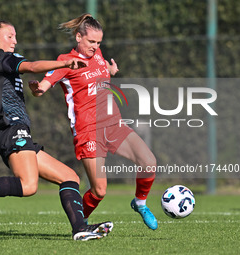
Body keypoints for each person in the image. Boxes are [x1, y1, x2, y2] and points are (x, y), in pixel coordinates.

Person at [0, 13, 113, 241]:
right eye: (10, 36)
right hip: (11, 129)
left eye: (15, 36)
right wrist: (65, 62)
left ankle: (80, 229)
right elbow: (33, 66)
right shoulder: (4, 59)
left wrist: (2, 105)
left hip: (11, 128)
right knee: (28, 186)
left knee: (70, 177)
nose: (14, 40)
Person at [29, 13, 158, 230]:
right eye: (91, 41)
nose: (95, 46)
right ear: (78, 37)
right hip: (88, 130)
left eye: (98, 42)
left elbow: (98, 70)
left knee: (149, 162)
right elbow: (45, 84)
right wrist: (38, 89)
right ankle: (80, 223)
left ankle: (140, 203)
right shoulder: (65, 61)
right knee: (99, 190)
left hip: (114, 124)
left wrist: (110, 71)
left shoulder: (97, 53)